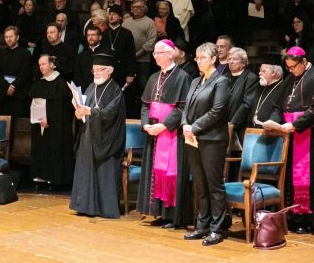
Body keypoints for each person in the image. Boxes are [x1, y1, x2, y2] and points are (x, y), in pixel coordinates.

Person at [264, 46, 314, 234]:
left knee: (309, 178)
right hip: (290, 135)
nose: (291, 71)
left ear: (304, 62)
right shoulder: (291, 78)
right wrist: (273, 121)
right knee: (290, 179)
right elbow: (278, 105)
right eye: (288, 67)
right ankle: (293, 216)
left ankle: (311, 219)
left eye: (293, 67)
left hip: (311, 137)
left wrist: (296, 125)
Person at [137, 39, 192, 229]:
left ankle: (172, 215)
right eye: (154, 53)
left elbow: (182, 107)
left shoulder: (183, 77)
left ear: (169, 54)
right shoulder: (153, 77)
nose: (155, 56)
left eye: (159, 52)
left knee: (170, 173)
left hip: (172, 133)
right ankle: (158, 212)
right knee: (154, 172)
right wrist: (146, 125)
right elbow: (145, 105)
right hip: (153, 132)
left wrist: (164, 126)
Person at [182, 42, 230, 246]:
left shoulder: (222, 81)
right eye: (197, 58)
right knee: (200, 184)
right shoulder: (195, 81)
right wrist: (185, 124)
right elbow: (185, 107)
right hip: (193, 138)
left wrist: (195, 126)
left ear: (213, 59)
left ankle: (217, 228)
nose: (199, 61)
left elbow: (217, 110)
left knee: (213, 184)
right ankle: (202, 225)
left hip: (212, 139)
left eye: (202, 58)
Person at [70, 50, 126, 218]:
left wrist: (91, 112)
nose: (96, 73)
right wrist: (79, 115)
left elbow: (110, 114)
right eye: (94, 70)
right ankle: (86, 206)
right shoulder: (90, 87)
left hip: (105, 139)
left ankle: (104, 208)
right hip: (88, 136)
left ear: (109, 70)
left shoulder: (116, 91)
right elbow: (83, 107)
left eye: (99, 70)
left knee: (104, 172)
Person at [28, 54, 74, 189]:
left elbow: (62, 108)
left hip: (57, 126)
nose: (41, 67)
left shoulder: (60, 83)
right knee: (40, 149)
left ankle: (56, 180)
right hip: (40, 124)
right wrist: (39, 118)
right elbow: (34, 103)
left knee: (56, 149)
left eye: (44, 64)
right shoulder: (39, 82)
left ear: (52, 65)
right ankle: (40, 178)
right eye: (40, 64)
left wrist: (50, 119)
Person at [0, 26, 33, 118]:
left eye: (11, 37)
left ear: (17, 37)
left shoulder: (26, 53)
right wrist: (7, 87)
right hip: (3, 94)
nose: (8, 39)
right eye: (6, 37)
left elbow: (25, 74)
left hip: (19, 94)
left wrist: (13, 86)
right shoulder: (0, 53)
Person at [225, 47, 258, 139]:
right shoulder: (225, 76)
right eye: (229, 59)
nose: (231, 62)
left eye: (235, 59)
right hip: (223, 124)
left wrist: (232, 123)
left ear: (243, 62)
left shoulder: (251, 78)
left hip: (240, 125)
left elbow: (247, 104)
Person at [246, 64, 285, 129]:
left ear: (273, 73)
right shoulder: (260, 86)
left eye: (263, 71)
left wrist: (272, 122)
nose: (259, 73)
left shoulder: (283, 88)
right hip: (253, 129)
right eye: (260, 70)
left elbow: (279, 111)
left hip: (272, 132)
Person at [75, 26, 103, 90]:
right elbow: (78, 75)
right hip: (86, 90)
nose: (90, 37)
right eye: (88, 35)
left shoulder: (107, 53)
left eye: (93, 35)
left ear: (100, 37)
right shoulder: (81, 55)